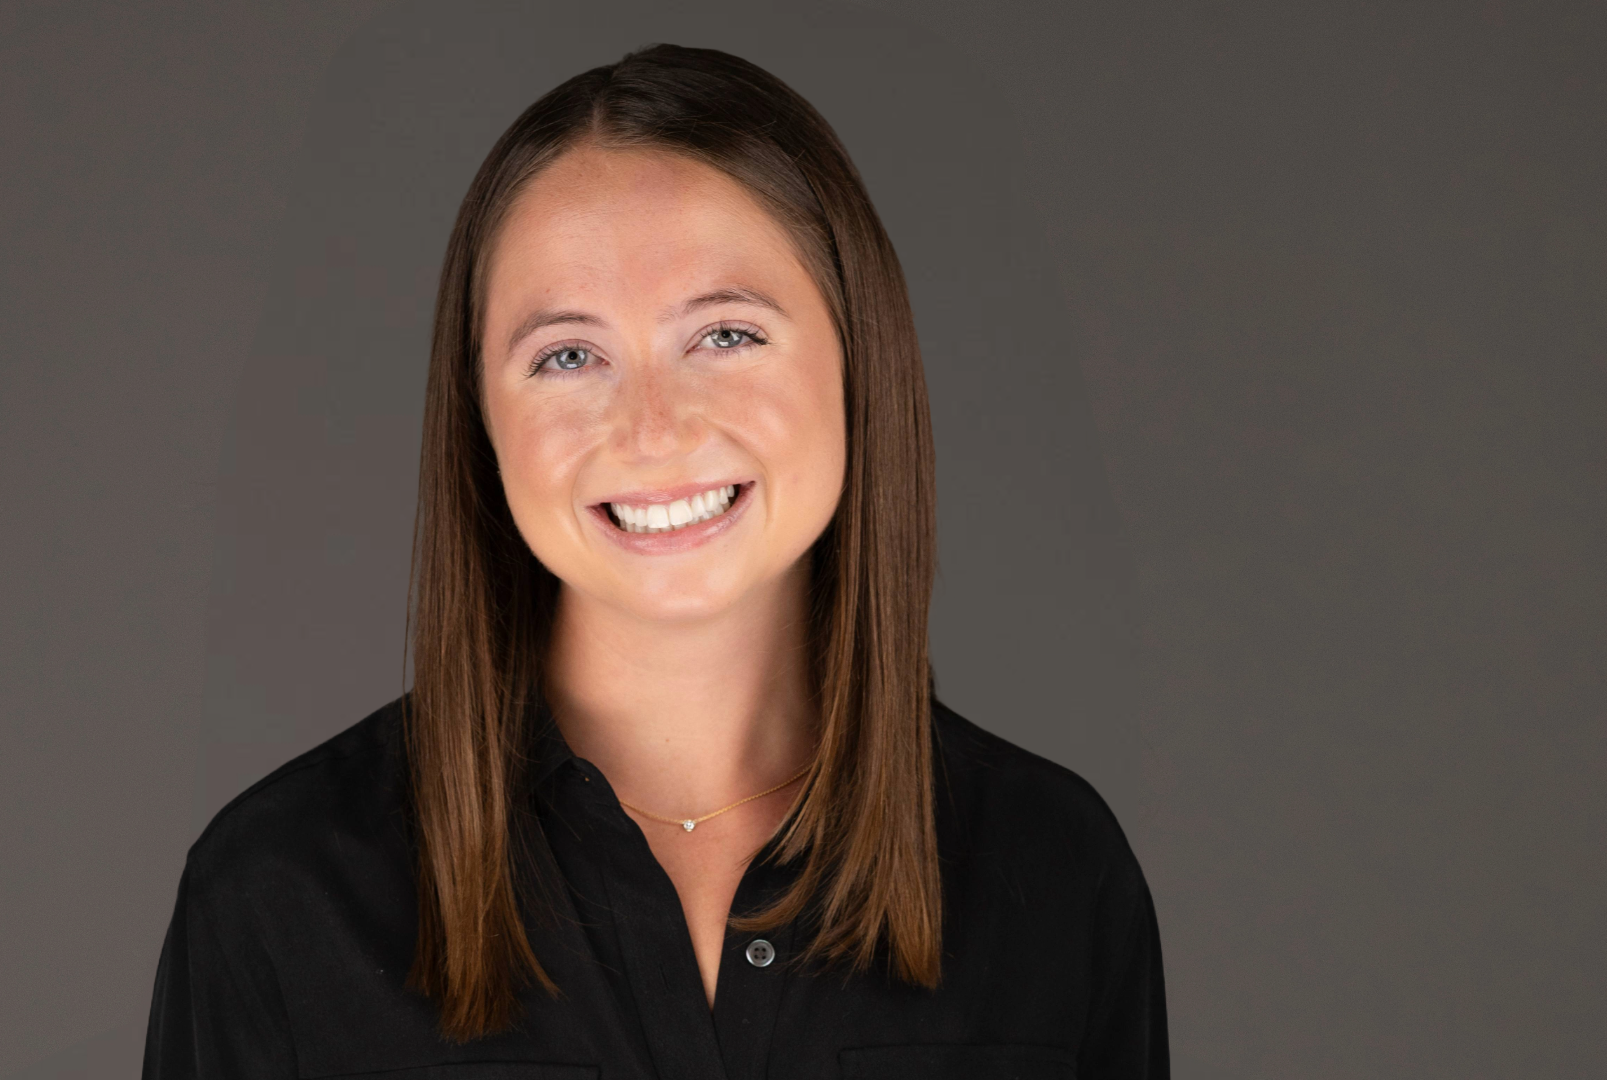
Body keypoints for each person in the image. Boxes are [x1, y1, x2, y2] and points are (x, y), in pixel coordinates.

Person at [144, 44, 1167, 1080]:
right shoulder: (279, 896)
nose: (652, 428)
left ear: (861, 361)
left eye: (725, 335)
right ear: (481, 419)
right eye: (568, 356)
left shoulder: (1055, 873)